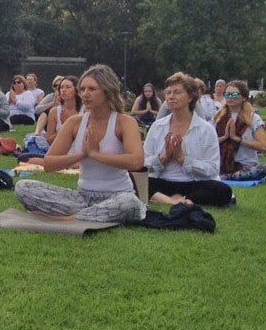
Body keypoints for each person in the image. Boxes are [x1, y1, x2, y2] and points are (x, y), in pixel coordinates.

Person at [14, 65, 147, 224]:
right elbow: (49, 164)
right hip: (81, 198)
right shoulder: (75, 123)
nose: (85, 94)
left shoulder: (124, 122)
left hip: (118, 196)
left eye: (92, 89)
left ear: (107, 91)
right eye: (82, 89)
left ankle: (69, 219)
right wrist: (82, 154)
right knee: (23, 187)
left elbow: (136, 162)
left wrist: (95, 154)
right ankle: (89, 215)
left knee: (129, 204)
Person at [143, 72, 231, 207]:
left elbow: (213, 169)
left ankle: (172, 199)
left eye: (177, 92)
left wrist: (182, 159)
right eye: (168, 93)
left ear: (190, 97)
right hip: (163, 181)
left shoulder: (206, 129)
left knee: (223, 191)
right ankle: (176, 201)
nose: (171, 97)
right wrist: (164, 157)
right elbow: (143, 164)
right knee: (133, 181)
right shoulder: (157, 127)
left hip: (193, 183)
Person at [215, 80, 266, 181]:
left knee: (262, 169)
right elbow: (208, 144)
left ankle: (230, 176)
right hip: (221, 164)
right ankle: (227, 175)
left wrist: (237, 139)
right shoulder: (218, 118)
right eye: (227, 94)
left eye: (234, 95)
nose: (230, 97)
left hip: (245, 165)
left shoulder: (253, 118)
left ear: (244, 98)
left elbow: (262, 146)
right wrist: (224, 138)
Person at [24, 76, 82, 160]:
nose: (63, 90)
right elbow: (49, 141)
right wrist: (64, 129)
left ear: (76, 90)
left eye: (68, 87)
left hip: (79, 152)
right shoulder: (54, 112)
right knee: (24, 158)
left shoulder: (84, 111)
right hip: (60, 153)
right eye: (61, 87)